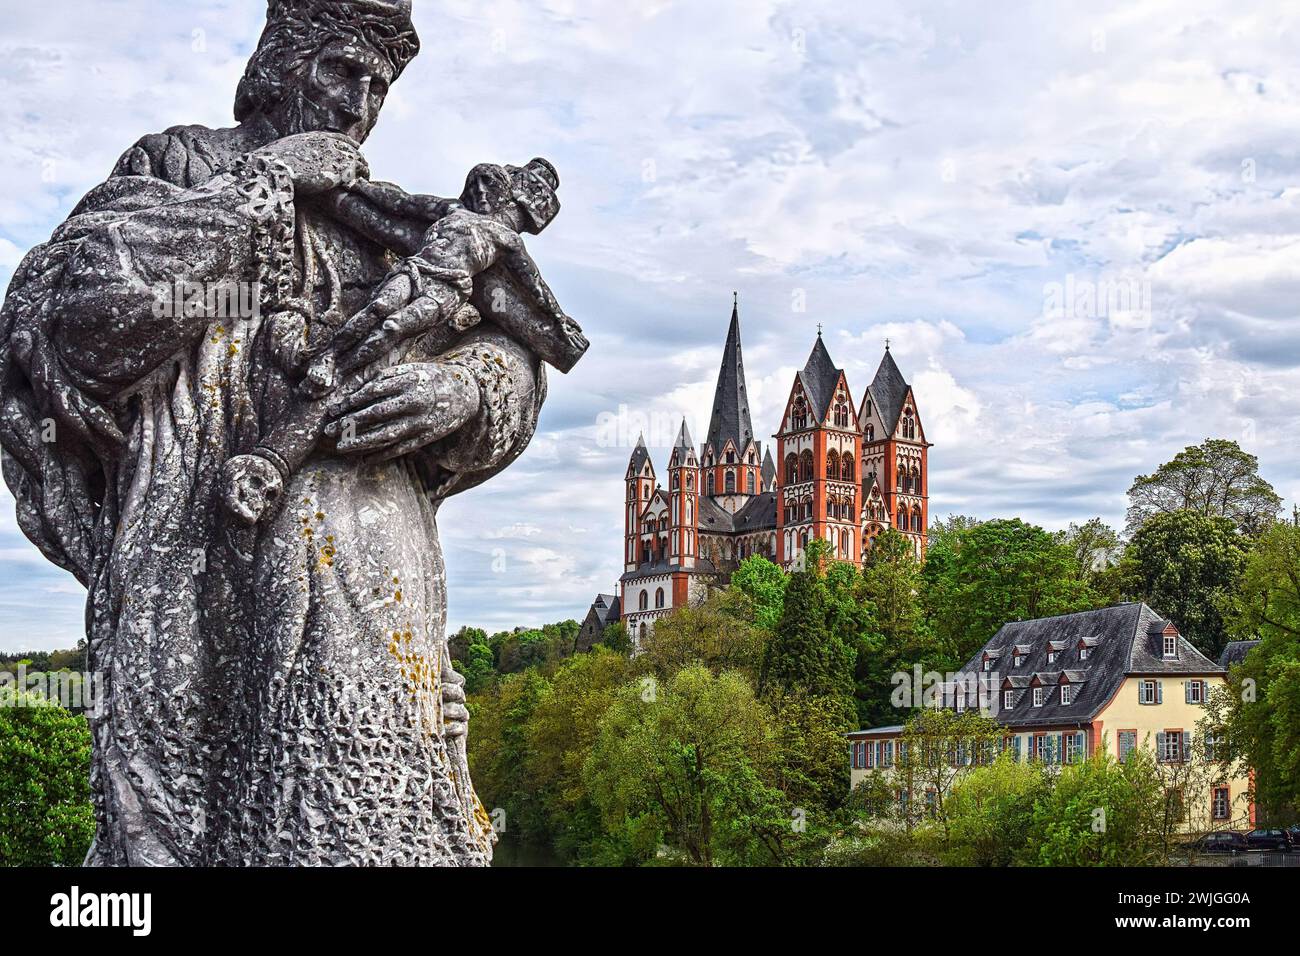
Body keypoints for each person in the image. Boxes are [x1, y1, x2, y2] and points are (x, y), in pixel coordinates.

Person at [0, 0, 558, 865]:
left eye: (379, 87)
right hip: (194, 582)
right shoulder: (179, 168)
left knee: (371, 827)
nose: (358, 104)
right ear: (274, 65)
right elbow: (78, 320)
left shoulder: (383, 223)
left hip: (370, 593)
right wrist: (268, 184)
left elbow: (513, 354)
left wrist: (465, 391)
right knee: (183, 832)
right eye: (342, 70)